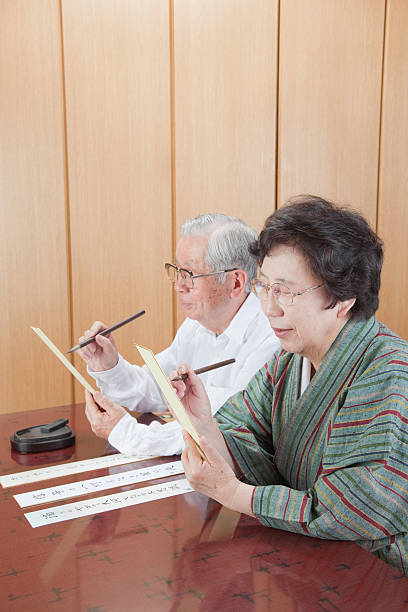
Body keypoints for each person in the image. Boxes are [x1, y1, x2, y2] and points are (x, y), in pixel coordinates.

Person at [173, 196, 408, 575]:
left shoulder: (390, 372)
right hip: (308, 558)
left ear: (343, 298)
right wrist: (203, 423)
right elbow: (240, 431)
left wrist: (236, 494)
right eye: (264, 287)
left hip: (380, 574)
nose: (270, 307)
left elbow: (349, 510)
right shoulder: (290, 361)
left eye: (285, 291)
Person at [82, 213, 279, 456]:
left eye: (189, 274)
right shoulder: (195, 326)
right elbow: (159, 389)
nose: (178, 285)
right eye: (176, 270)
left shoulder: (272, 338)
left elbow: (218, 430)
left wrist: (125, 433)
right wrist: (109, 366)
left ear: (236, 283)